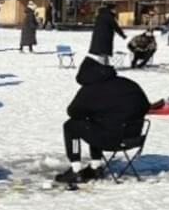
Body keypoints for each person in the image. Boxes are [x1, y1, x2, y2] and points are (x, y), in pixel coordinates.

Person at [55, 57, 151, 185]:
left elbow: (73, 112)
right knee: (97, 121)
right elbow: (146, 105)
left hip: (111, 139)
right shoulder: (128, 83)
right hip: (134, 138)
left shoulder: (90, 90)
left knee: (71, 125)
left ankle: (76, 170)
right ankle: (96, 167)